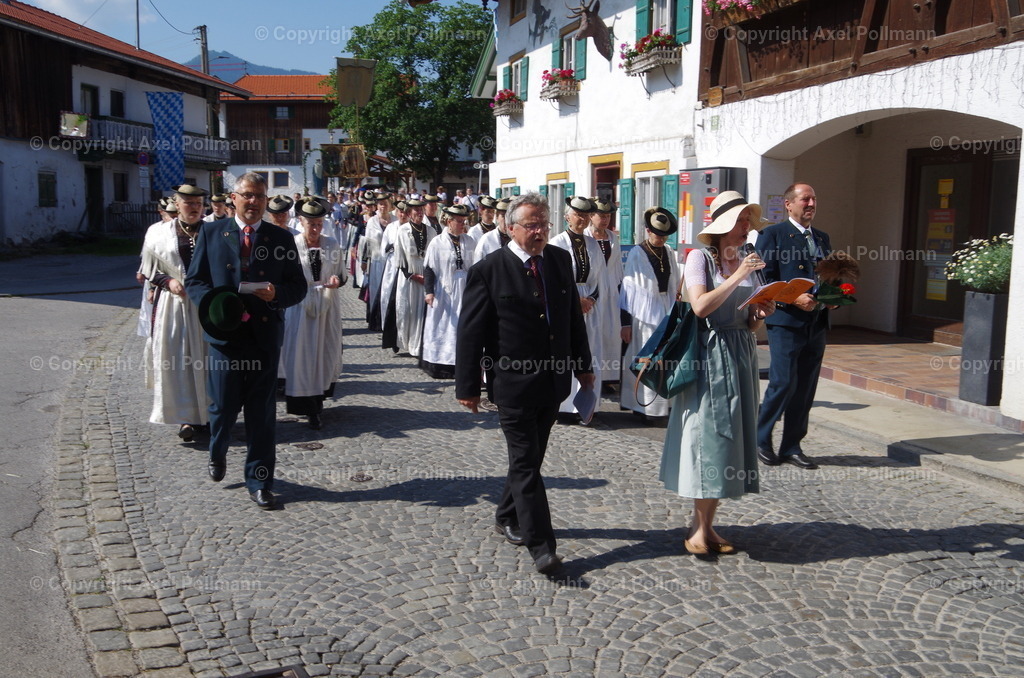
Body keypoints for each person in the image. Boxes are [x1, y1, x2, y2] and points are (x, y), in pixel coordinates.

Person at [455, 192, 594, 575]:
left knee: (529, 459)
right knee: (526, 462)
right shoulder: (488, 269)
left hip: (553, 380)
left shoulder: (559, 260)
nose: (539, 231)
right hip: (512, 384)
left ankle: (505, 514)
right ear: (510, 227)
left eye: (544, 224)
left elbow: (571, 319)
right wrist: (468, 385)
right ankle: (541, 544)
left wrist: (583, 366)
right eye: (531, 225)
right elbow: (471, 332)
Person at [185, 172, 307, 510]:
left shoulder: (281, 238)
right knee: (222, 406)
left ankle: (260, 480)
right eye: (246, 195)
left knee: (261, 413)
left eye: (258, 196)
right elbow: (195, 280)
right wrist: (214, 307)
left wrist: (276, 293)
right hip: (225, 337)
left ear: (266, 200)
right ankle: (218, 450)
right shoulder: (211, 232)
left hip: (264, 338)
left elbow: (299, 287)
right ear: (233, 198)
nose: (252, 202)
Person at [660, 192, 773, 555]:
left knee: (730, 441)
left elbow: (750, 326)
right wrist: (739, 275)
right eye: (742, 221)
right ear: (723, 225)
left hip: (740, 356)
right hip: (709, 358)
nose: (747, 228)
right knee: (708, 439)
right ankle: (698, 528)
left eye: (748, 222)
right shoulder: (699, 258)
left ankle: (706, 527)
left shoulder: (745, 260)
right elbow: (701, 306)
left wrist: (760, 312)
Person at [755, 183, 832, 470]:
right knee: (783, 383)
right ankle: (761, 439)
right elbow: (764, 280)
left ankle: (792, 445)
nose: (811, 203)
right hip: (786, 321)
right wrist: (794, 298)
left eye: (814, 198)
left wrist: (834, 296)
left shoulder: (822, 238)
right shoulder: (772, 235)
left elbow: (827, 275)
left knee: (806, 387)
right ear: (789, 204)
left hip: (817, 322)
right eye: (805, 199)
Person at [139, 184, 211, 442]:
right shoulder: (157, 234)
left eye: (198, 204)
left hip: (205, 305)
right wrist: (168, 282)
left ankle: (209, 414)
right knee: (179, 360)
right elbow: (148, 269)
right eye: (188, 203)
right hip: (174, 305)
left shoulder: (213, 231)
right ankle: (185, 418)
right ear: (177, 204)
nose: (194, 208)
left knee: (207, 359)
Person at [281, 200, 346, 430]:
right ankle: (305, 405)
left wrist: (337, 281)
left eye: (319, 224)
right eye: (311, 224)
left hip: (327, 307)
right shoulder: (292, 245)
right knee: (302, 355)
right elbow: (283, 279)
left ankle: (318, 401)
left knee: (324, 352)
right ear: (301, 222)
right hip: (300, 308)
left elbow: (342, 274)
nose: (316, 229)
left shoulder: (332, 244)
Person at [619, 207, 682, 421]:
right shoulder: (638, 252)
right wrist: (625, 323)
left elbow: (674, 283)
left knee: (665, 358)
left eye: (664, 235)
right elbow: (628, 289)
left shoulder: (669, 252)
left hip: (665, 308)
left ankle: (663, 405)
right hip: (643, 315)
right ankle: (641, 406)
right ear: (648, 231)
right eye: (657, 234)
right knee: (645, 359)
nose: (661, 239)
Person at [549, 196, 606, 419]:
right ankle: (565, 406)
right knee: (568, 351)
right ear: (567, 216)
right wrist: (575, 302)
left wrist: (590, 299)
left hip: (590, 308)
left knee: (590, 352)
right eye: (577, 215)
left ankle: (588, 404)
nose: (581, 219)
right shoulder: (556, 244)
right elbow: (554, 281)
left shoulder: (593, 244)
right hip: (566, 307)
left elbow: (601, 279)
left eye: (585, 215)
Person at [421, 204, 474, 378]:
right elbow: (429, 268)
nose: (462, 224)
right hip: (445, 291)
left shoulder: (469, 241)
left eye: (464, 221)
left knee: (463, 326)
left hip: (465, 290)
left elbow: (476, 267)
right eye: (459, 221)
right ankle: (441, 363)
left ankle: (462, 362)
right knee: (444, 326)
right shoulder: (437, 242)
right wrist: (429, 292)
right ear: (449, 221)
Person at [586, 198, 624, 390]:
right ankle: (591, 374)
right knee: (594, 333)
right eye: (601, 215)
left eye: (608, 216)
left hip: (611, 290)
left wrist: (620, 287)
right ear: (592, 216)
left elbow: (617, 267)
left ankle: (608, 376)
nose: (605, 220)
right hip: (593, 288)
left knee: (611, 333)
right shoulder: (586, 237)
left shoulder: (612, 237)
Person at [392, 198, 435, 357]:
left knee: (424, 312)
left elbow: (434, 255)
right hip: (409, 276)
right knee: (409, 310)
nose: (419, 213)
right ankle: (409, 343)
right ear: (409, 213)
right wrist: (412, 275)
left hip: (426, 274)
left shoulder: (430, 231)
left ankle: (422, 344)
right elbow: (399, 257)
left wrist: (429, 276)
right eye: (415, 210)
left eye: (421, 210)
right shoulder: (403, 231)